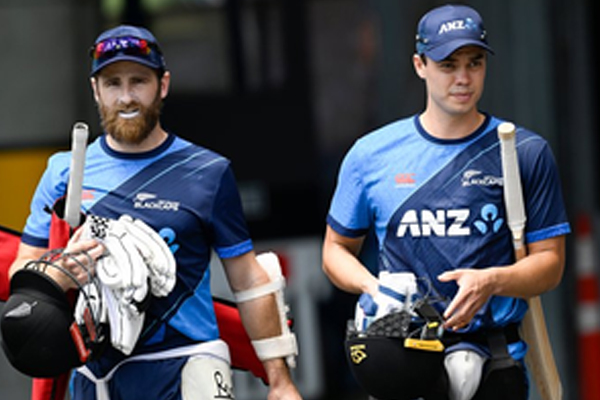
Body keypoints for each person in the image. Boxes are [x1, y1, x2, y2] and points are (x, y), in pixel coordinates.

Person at [6, 24, 302, 400]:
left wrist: (280, 381)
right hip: (95, 377)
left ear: (162, 85)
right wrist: (61, 269)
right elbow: (20, 271)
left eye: (139, 81)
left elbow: (248, 280)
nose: (126, 97)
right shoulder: (64, 172)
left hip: (185, 366)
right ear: (95, 90)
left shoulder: (208, 172)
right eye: (112, 83)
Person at [322, 4, 570, 400]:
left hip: (495, 360)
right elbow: (335, 251)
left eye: (474, 64)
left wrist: (491, 281)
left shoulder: (522, 151)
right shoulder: (370, 155)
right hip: (403, 356)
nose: (463, 78)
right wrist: (376, 288)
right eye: (448, 65)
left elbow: (550, 265)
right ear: (419, 65)